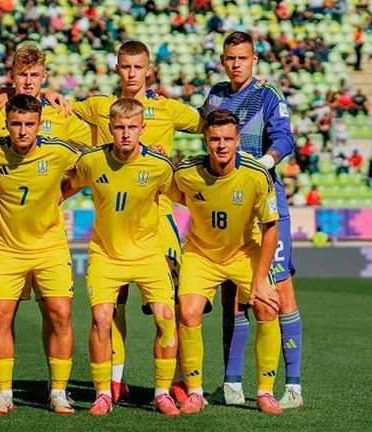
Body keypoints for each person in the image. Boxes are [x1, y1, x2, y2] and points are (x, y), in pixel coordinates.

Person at [72, 40, 201, 403]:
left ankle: (176, 379)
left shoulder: (169, 109)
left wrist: (177, 158)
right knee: (115, 303)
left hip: (158, 218)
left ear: (149, 70)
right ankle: (115, 380)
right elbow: (61, 111)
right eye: (125, 67)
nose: (131, 74)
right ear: (117, 69)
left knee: (171, 303)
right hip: (115, 219)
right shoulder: (100, 107)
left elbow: (210, 125)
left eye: (137, 67)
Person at [200, 31, 302, 409]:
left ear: (254, 58)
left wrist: (263, 163)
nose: (236, 64)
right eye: (230, 58)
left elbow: (285, 139)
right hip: (228, 205)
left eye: (242, 57)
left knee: (279, 290)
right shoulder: (215, 96)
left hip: (266, 201)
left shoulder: (269, 94)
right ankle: (231, 383)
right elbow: (203, 134)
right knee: (233, 295)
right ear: (223, 60)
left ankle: (292, 386)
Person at [64, 99, 180, 416]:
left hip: (148, 254)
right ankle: (103, 393)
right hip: (106, 254)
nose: (126, 134)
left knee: (166, 319)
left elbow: (183, 194)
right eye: (119, 128)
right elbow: (64, 187)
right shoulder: (92, 161)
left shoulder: (159, 166)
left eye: (132, 127)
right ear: (110, 128)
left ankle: (161, 393)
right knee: (102, 319)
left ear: (142, 128)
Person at [171, 109, 283, 415]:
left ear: (238, 141)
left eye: (228, 139)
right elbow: (167, 195)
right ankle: (194, 392)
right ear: (206, 140)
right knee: (188, 312)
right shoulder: (186, 172)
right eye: (215, 139)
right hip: (201, 254)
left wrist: (260, 279)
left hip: (245, 252)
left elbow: (271, 226)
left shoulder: (256, 175)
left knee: (267, 305)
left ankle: (264, 392)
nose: (221, 145)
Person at [0, 94, 78, 415]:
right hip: (7, 248)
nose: (22, 131)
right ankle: (3, 393)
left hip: (50, 247)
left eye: (29, 124)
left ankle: (58, 392)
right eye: (16, 124)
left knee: (61, 314)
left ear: (39, 125)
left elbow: (89, 170)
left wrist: (61, 195)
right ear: (6, 124)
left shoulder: (60, 152)